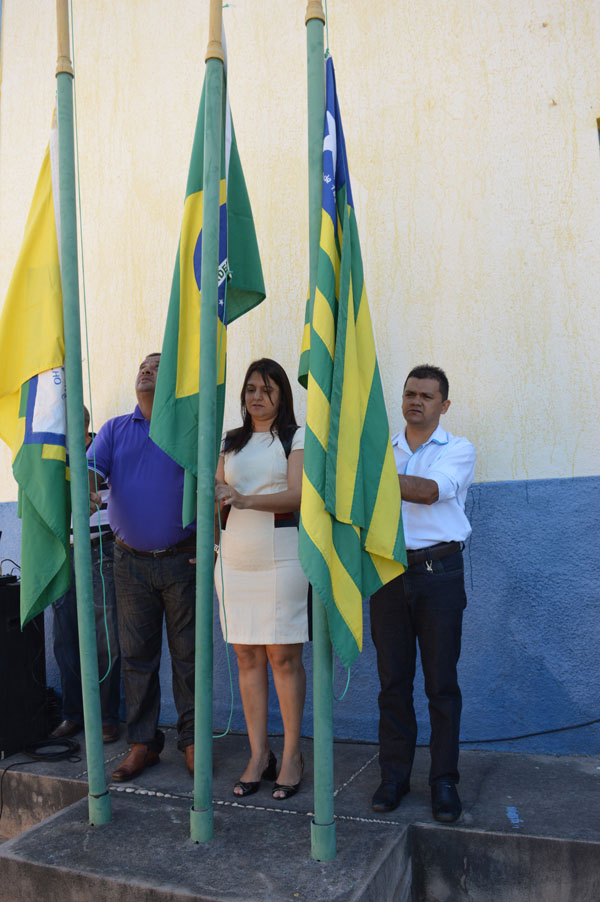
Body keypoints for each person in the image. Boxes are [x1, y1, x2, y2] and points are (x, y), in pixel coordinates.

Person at [370, 364, 476, 823]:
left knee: (441, 685)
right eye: (410, 393)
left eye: (427, 396)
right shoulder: (383, 449)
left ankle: (443, 781)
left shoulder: (459, 449)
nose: (416, 401)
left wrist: (365, 479)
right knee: (393, 683)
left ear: (444, 405)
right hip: (388, 574)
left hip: (439, 575)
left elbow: (430, 491)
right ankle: (394, 777)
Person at [87, 353, 197, 781]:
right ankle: (143, 743)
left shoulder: (186, 429)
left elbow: (209, 484)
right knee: (136, 657)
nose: (147, 370)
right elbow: (92, 476)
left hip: (181, 559)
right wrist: (80, 483)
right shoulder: (115, 429)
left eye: (157, 365)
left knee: (187, 656)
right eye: (143, 366)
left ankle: (191, 742)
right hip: (129, 564)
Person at [214, 358, 308, 800]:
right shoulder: (230, 441)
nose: (256, 397)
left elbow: (297, 495)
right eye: (250, 388)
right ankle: (258, 754)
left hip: (281, 558)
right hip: (233, 559)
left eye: (266, 390)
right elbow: (216, 493)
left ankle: (291, 756)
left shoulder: (294, 436)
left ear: (281, 396)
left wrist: (246, 499)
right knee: (247, 657)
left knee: (283, 657)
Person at [51, 406, 121, 744]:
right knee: (65, 639)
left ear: (84, 424)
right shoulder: (52, 460)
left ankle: (106, 717)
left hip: (99, 549)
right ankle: (72, 715)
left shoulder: (101, 452)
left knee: (104, 637)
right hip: (63, 552)